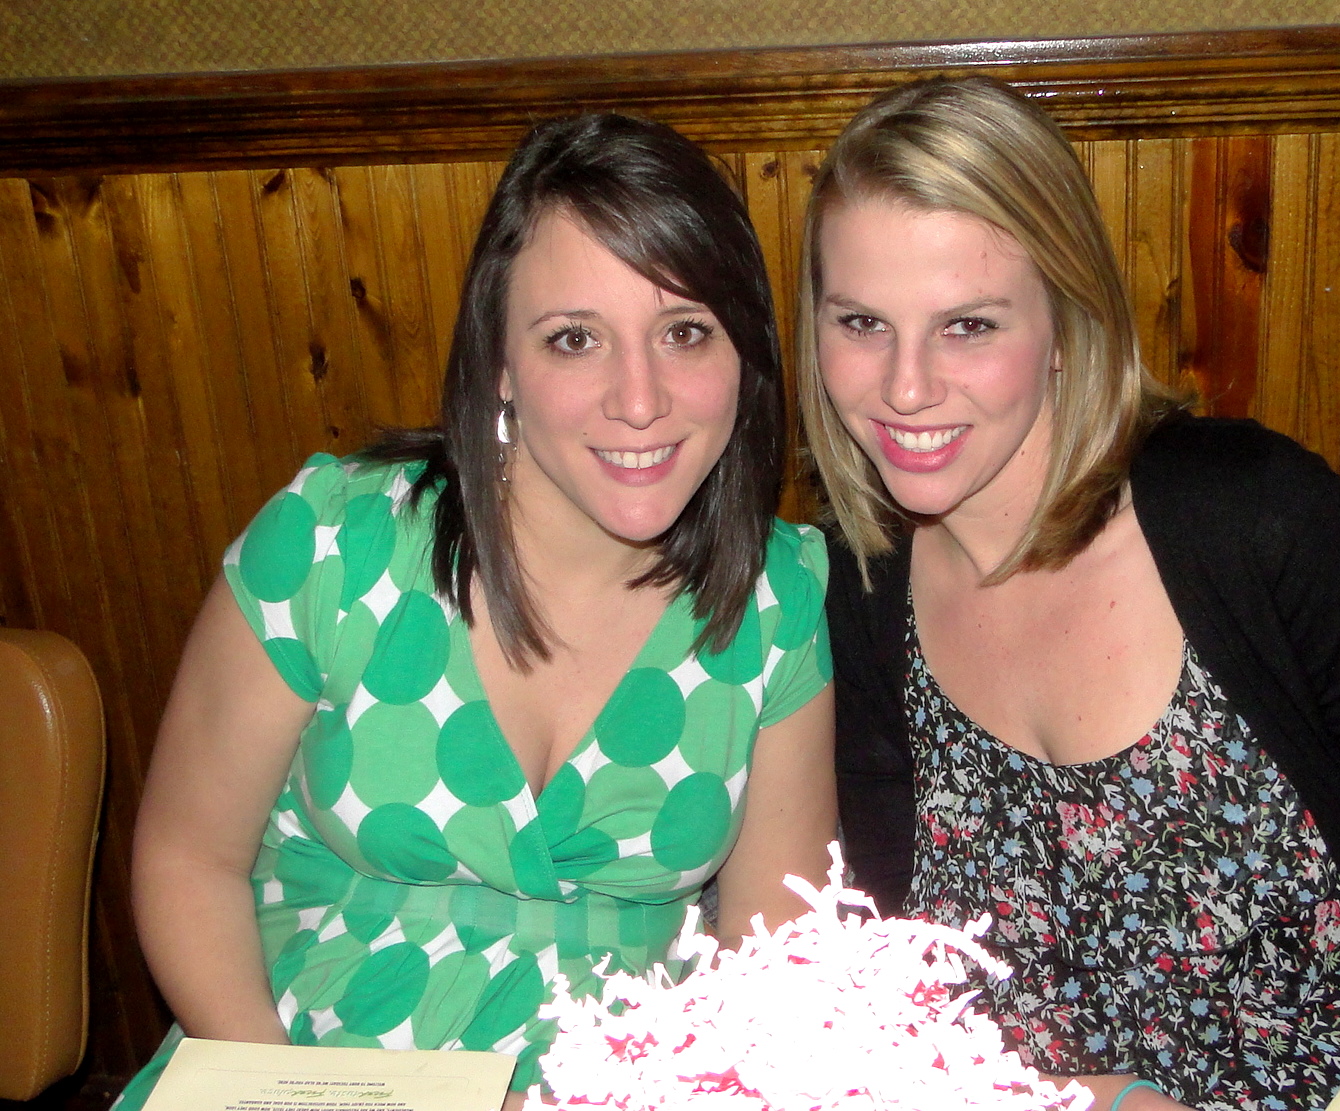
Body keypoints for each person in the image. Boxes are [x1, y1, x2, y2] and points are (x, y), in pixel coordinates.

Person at [800, 77, 1340, 1111]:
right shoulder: (854, 589)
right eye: (861, 322)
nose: (905, 385)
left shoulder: (1261, 526)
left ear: (1066, 321)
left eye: (967, 325)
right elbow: (899, 964)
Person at [121, 113, 835, 1110]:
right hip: (291, 1058)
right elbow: (186, 859)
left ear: (744, 354)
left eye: (684, 332)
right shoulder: (331, 542)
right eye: (574, 338)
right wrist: (286, 1094)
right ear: (499, 362)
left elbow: (770, 963)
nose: (639, 399)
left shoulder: (778, 598)